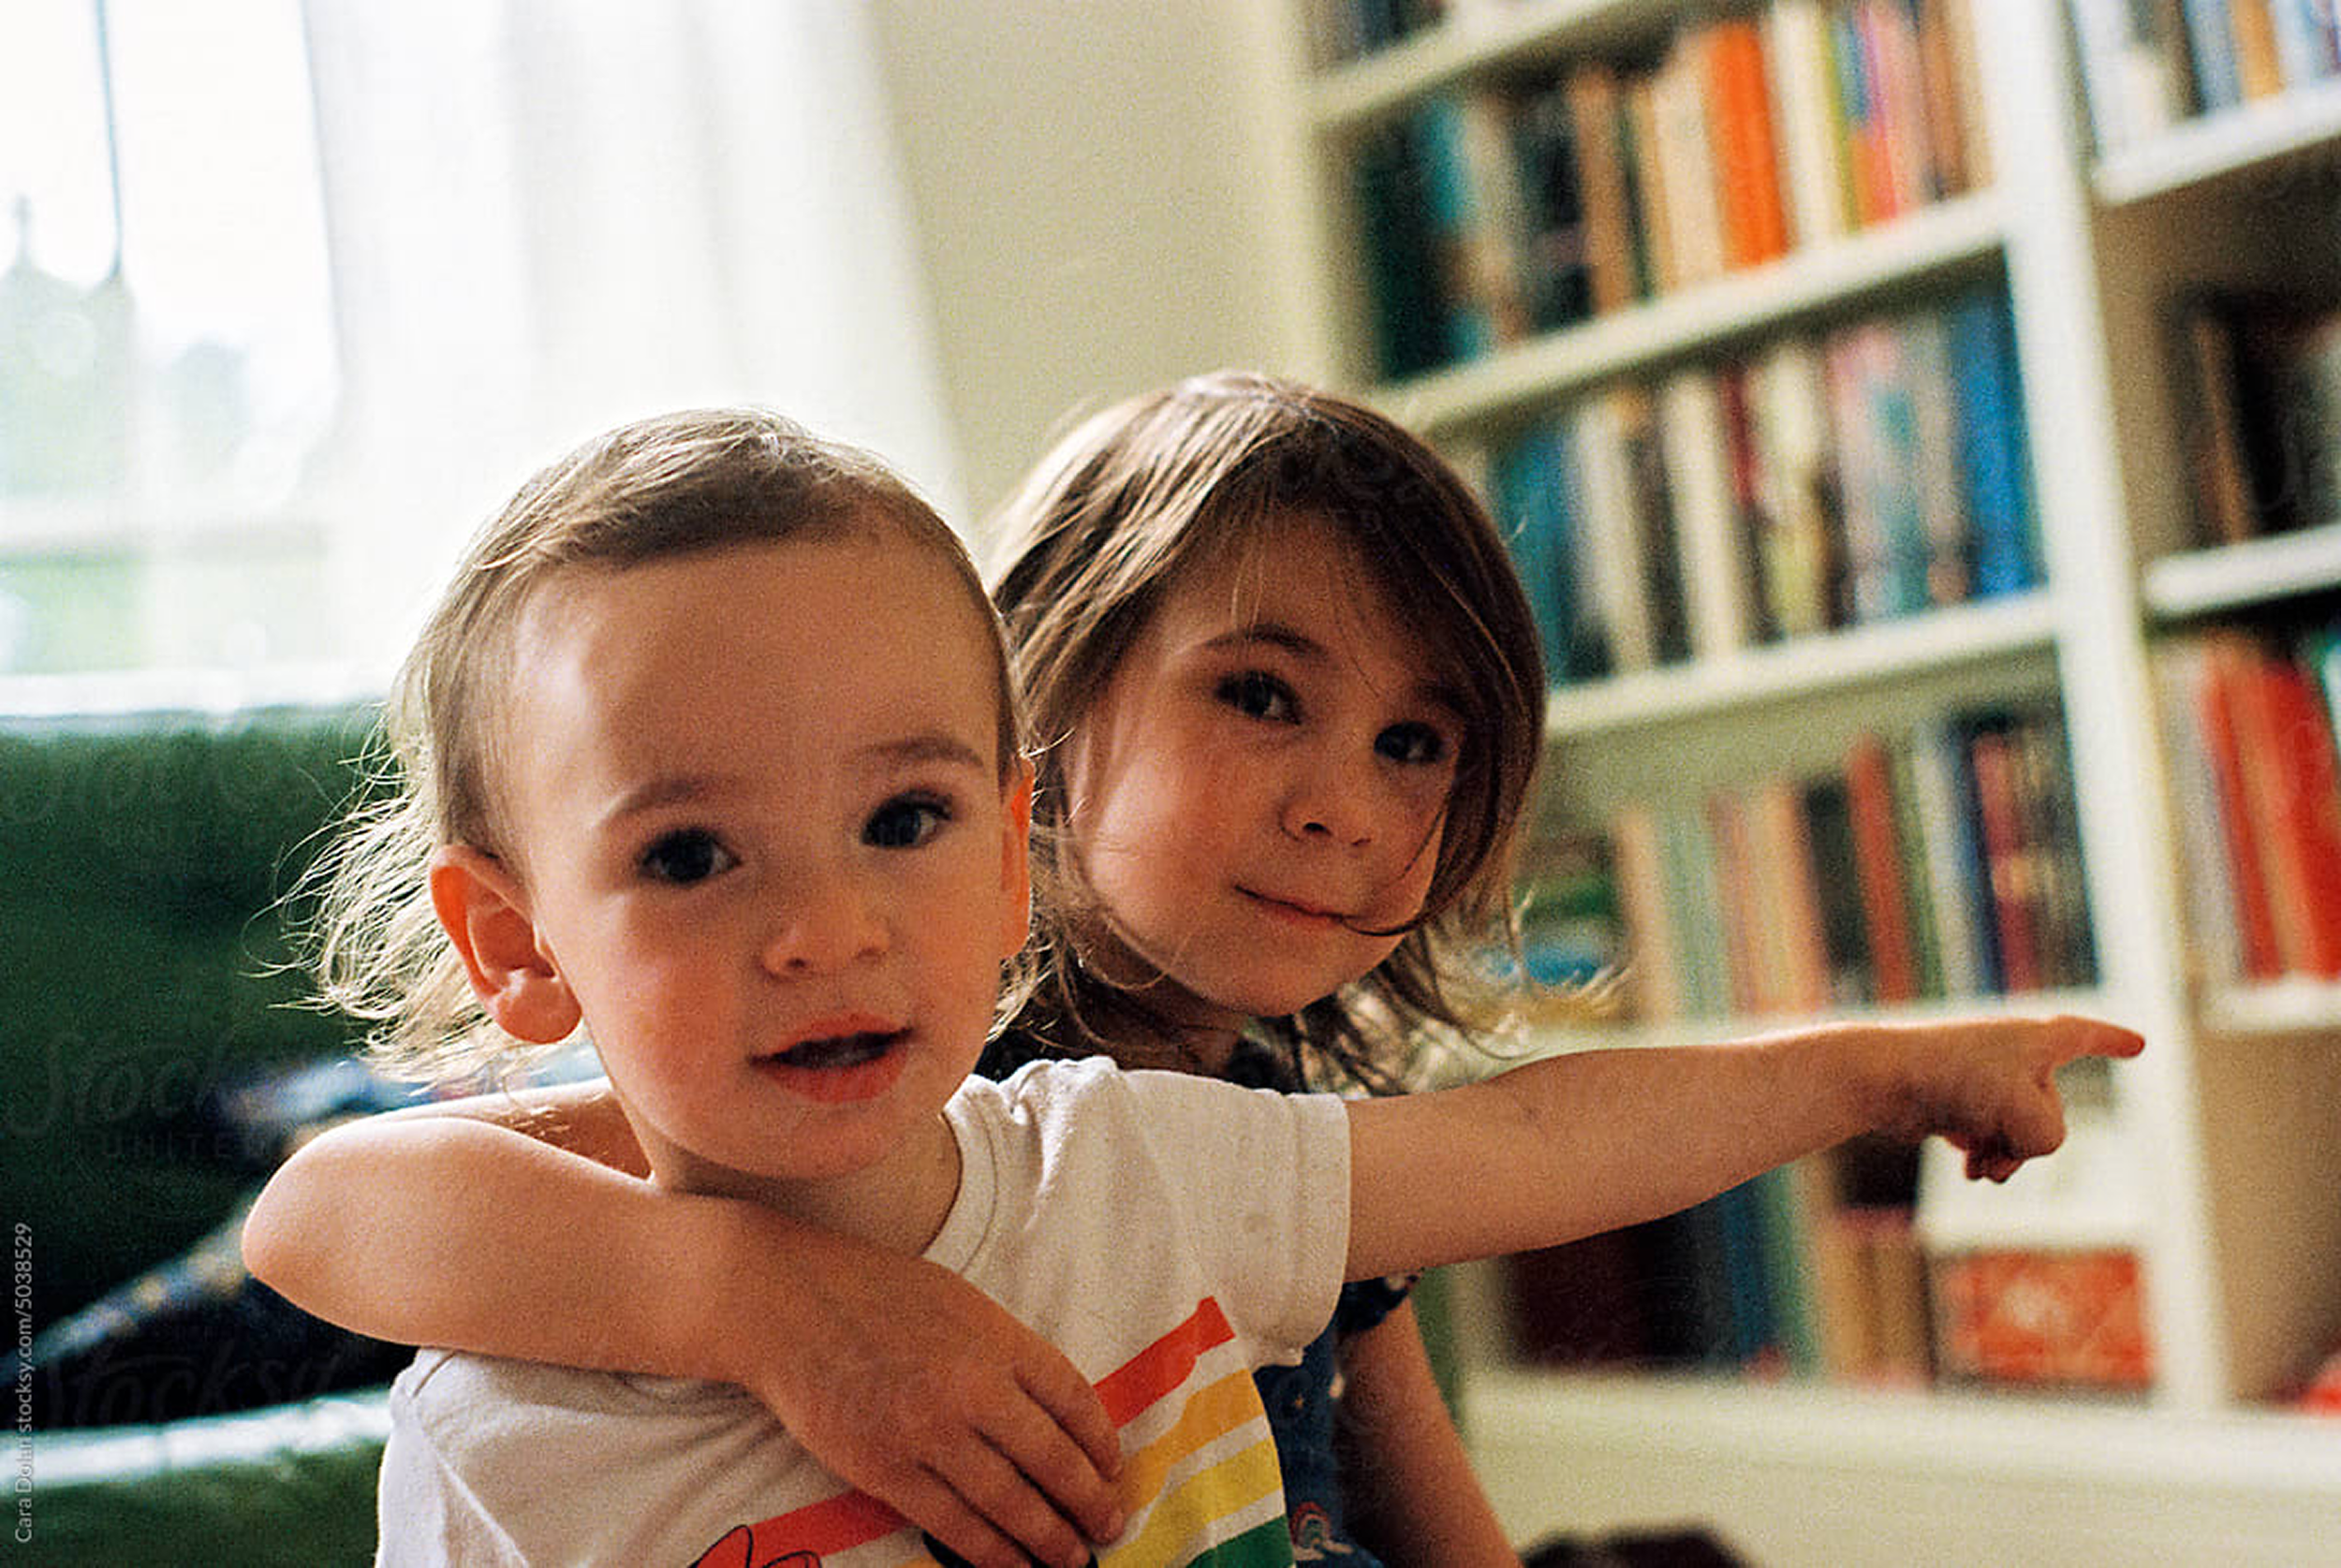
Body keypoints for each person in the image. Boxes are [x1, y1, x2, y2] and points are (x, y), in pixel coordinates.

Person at [245, 399, 2141, 1566]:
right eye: (686, 857)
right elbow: (329, 1203)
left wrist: (1874, 1071)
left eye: (899, 821)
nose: (820, 927)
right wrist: (761, 1300)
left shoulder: (1155, 1158)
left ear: (996, 840)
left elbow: (1527, 1147)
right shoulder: (533, 1417)